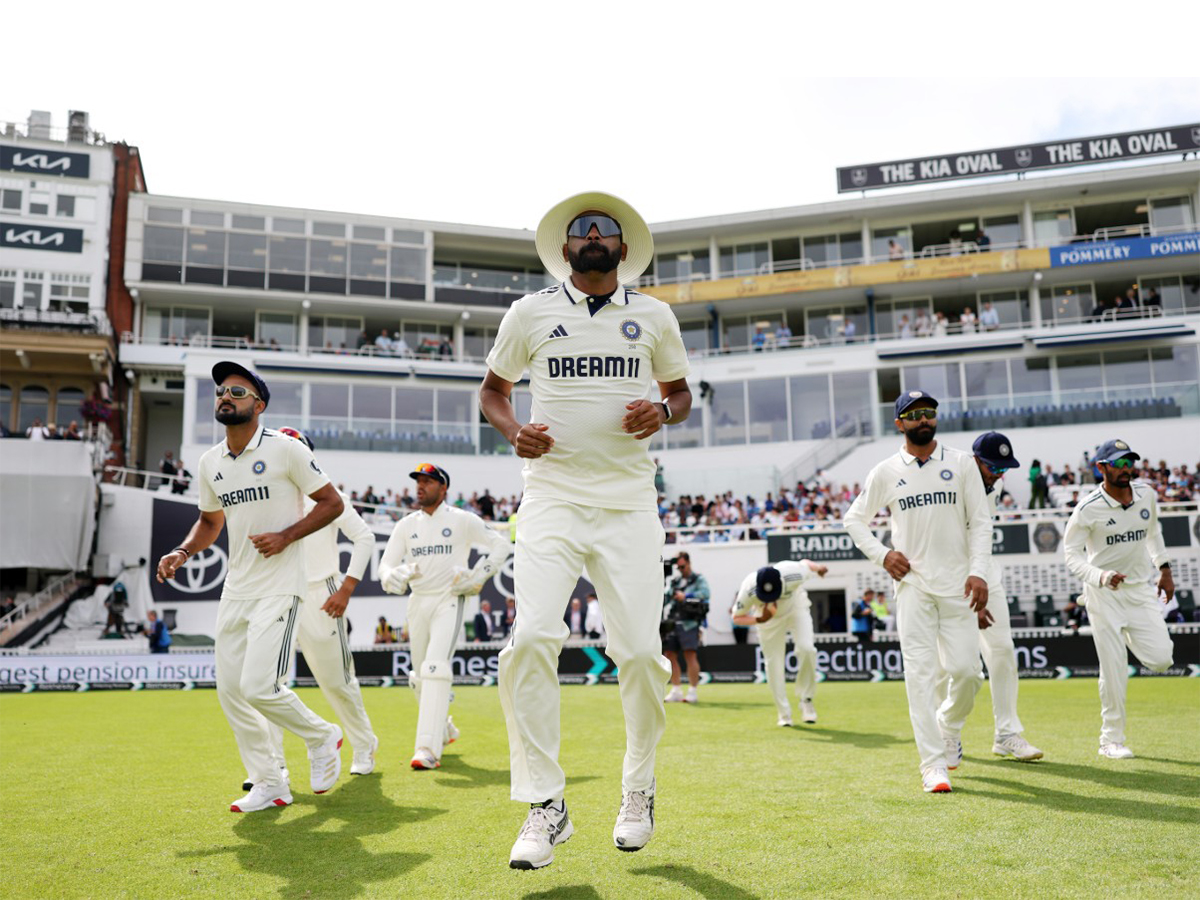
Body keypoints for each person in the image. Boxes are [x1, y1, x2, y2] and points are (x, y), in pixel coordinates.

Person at [479, 191, 691, 868]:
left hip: (630, 502)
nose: (594, 236)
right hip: (551, 498)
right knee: (530, 640)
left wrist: (664, 410)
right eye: (581, 230)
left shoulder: (654, 315)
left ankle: (638, 789)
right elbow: (492, 390)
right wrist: (515, 432)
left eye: (605, 230)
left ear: (624, 248)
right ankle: (547, 805)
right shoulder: (530, 313)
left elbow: (682, 393)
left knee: (637, 655)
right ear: (564, 248)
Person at [155, 361, 346, 813]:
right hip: (236, 588)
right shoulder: (209, 462)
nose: (226, 396)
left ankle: (323, 736)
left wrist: (285, 537)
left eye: (238, 392)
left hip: (281, 585)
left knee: (260, 687)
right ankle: (269, 782)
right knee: (231, 693)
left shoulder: (286, 450)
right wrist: (183, 552)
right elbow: (208, 521)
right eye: (221, 390)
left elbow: (331, 503)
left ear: (258, 404)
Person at [844, 390, 991, 794]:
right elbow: (854, 520)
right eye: (914, 415)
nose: (923, 420)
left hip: (959, 586)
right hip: (913, 588)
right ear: (900, 424)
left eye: (929, 413)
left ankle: (948, 727)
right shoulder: (887, 471)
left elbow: (980, 523)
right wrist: (882, 554)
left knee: (967, 673)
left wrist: (979, 573)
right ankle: (932, 765)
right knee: (920, 677)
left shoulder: (962, 464)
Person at [258, 426, 380, 779]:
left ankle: (363, 743)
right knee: (268, 683)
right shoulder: (265, 497)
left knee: (337, 682)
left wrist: (345, 589)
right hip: (277, 594)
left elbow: (364, 537)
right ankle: (274, 765)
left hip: (320, 595)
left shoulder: (327, 495)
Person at [379, 463, 510, 771]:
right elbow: (385, 566)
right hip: (418, 602)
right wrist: (391, 576)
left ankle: (427, 748)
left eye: (428, 481)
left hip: (449, 600)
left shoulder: (462, 520)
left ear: (443, 488)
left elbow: (500, 545)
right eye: (418, 482)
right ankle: (445, 728)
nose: (420, 486)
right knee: (420, 678)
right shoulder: (406, 525)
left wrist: (479, 575)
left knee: (435, 668)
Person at [1063, 439, 1175, 759]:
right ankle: (1110, 740)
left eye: (1130, 463)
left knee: (1162, 659)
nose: (1126, 470)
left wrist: (1164, 569)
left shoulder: (1147, 495)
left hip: (1140, 591)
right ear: (1101, 468)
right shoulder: (1087, 508)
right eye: (1118, 464)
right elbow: (1070, 555)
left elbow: (1152, 532)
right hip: (1104, 593)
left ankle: (1122, 632)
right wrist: (1099, 577)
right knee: (1113, 667)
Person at [936, 433, 1044, 763]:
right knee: (951, 668)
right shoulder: (950, 485)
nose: (998, 474)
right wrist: (971, 597)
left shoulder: (994, 487)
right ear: (975, 461)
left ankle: (1006, 733)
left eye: (1003, 468)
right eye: (993, 467)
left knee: (1003, 650)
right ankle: (946, 731)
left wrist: (981, 580)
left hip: (986, 575)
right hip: (949, 579)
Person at [730, 560, 827, 726]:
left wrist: (819, 568)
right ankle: (784, 713)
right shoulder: (748, 588)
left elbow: (806, 564)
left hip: (795, 608)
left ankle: (806, 699)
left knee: (807, 648)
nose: (770, 601)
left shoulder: (793, 573)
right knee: (773, 663)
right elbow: (736, 617)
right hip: (767, 620)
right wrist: (760, 618)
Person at [662, 551, 710, 704]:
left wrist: (686, 596)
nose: (681, 569)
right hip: (673, 622)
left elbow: (705, 593)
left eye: (683, 566)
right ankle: (676, 690)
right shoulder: (675, 581)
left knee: (690, 655)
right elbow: (666, 598)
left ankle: (692, 691)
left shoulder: (698, 579)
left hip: (690, 622)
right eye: (678, 567)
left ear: (688, 563)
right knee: (669, 655)